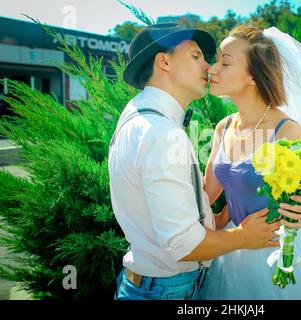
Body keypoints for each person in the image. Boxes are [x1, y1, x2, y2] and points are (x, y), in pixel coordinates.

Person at [109, 23, 285, 300]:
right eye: (196, 57)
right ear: (164, 62)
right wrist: (242, 236)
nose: (208, 67)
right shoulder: (161, 133)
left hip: (150, 285)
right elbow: (183, 244)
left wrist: (217, 215)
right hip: (166, 290)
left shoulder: (136, 116)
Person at [200, 25, 301, 299]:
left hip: (281, 256)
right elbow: (204, 195)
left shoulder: (287, 131)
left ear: (252, 76)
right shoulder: (223, 127)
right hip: (233, 253)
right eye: (216, 61)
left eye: (225, 63)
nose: (212, 69)